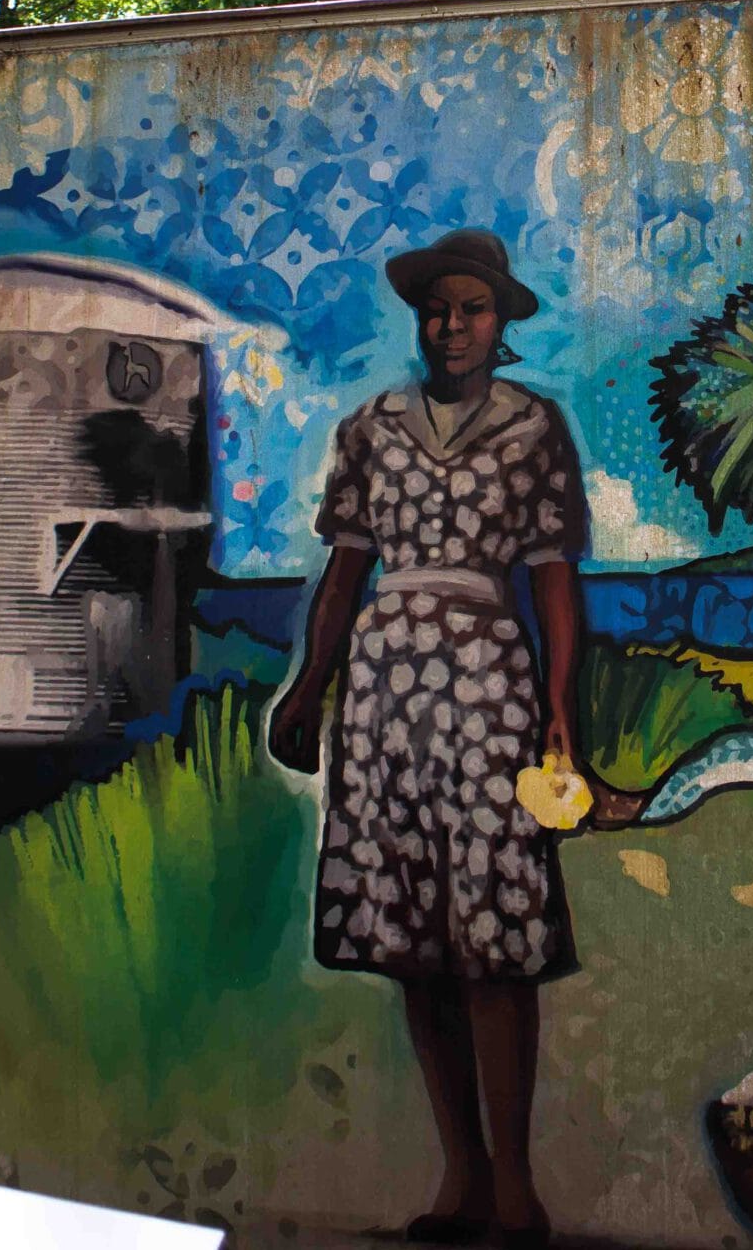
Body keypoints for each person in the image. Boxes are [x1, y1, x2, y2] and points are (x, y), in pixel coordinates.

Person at [268, 228, 591, 1250]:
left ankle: (515, 1186)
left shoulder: (533, 427)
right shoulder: (371, 428)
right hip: (385, 695)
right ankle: (460, 1175)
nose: (452, 327)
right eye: (437, 311)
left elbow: (553, 577)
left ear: (499, 323)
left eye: (471, 309)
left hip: (488, 686)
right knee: (413, 940)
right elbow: (345, 572)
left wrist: (558, 709)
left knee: (494, 938)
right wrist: (309, 686)